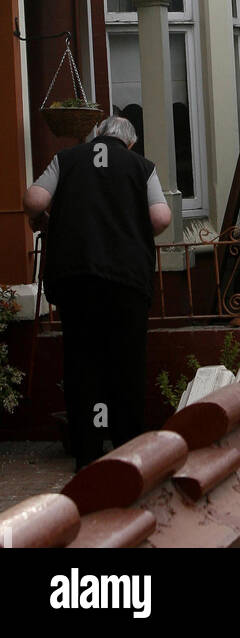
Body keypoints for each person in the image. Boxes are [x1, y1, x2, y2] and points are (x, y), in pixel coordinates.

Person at [23, 114, 172, 471]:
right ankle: (127, 451)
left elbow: (34, 200)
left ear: (97, 136)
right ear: (130, 143)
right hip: (127, 281)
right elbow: (161, 219)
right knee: (127, 363)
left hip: (77, 279)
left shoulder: (67, 159)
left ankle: (88, 454)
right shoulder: (142, 166)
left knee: (82, 363)